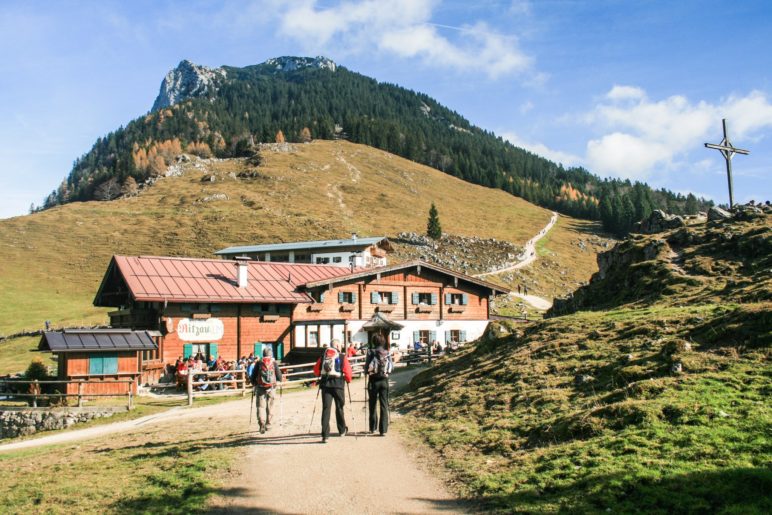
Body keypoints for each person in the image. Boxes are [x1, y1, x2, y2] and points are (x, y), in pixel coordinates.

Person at [313, 339, 352, 443]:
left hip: (326, 385)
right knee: (339, 407)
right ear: (338, 346)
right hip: (338, 385)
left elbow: (316, 370)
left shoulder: (324, 356)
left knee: (326, 409)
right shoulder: (342, 356)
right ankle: (342, 430)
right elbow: (348, 372)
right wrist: (348, 380)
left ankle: (325, 435)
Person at [250, 346, 283, 434]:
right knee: (270, 406)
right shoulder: (273, 362)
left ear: (263, 354)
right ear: (271, 354)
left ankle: (262, 423)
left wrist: (253, 383)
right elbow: (279, 376)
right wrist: (280, 380)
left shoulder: (259, 362)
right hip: (271, 387)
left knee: (261, 407)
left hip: (260, 387)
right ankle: (269, 424)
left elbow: (253, 376)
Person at [365, 333, 393, 436]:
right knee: (384, 404)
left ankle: (373, 428)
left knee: (372, 404)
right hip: (384, 381)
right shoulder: (387, 352)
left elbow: (366, 367)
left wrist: (366, 373)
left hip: (373, 381)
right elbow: (392, 367)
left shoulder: (370, 352)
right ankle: (383, 429)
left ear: (373, 341)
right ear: (383, 341)